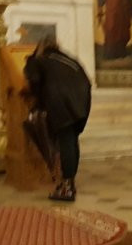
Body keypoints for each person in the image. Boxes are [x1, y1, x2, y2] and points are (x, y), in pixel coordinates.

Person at [24, 38, 91, 202]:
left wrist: (37, 102)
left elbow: (32, 78)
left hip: (61, 100)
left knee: (66, 139)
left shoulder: (40, 60)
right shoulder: (67, 59)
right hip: (82, 99)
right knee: (71, 139)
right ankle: (69, 182)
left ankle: (67, 187)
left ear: (40, 48)